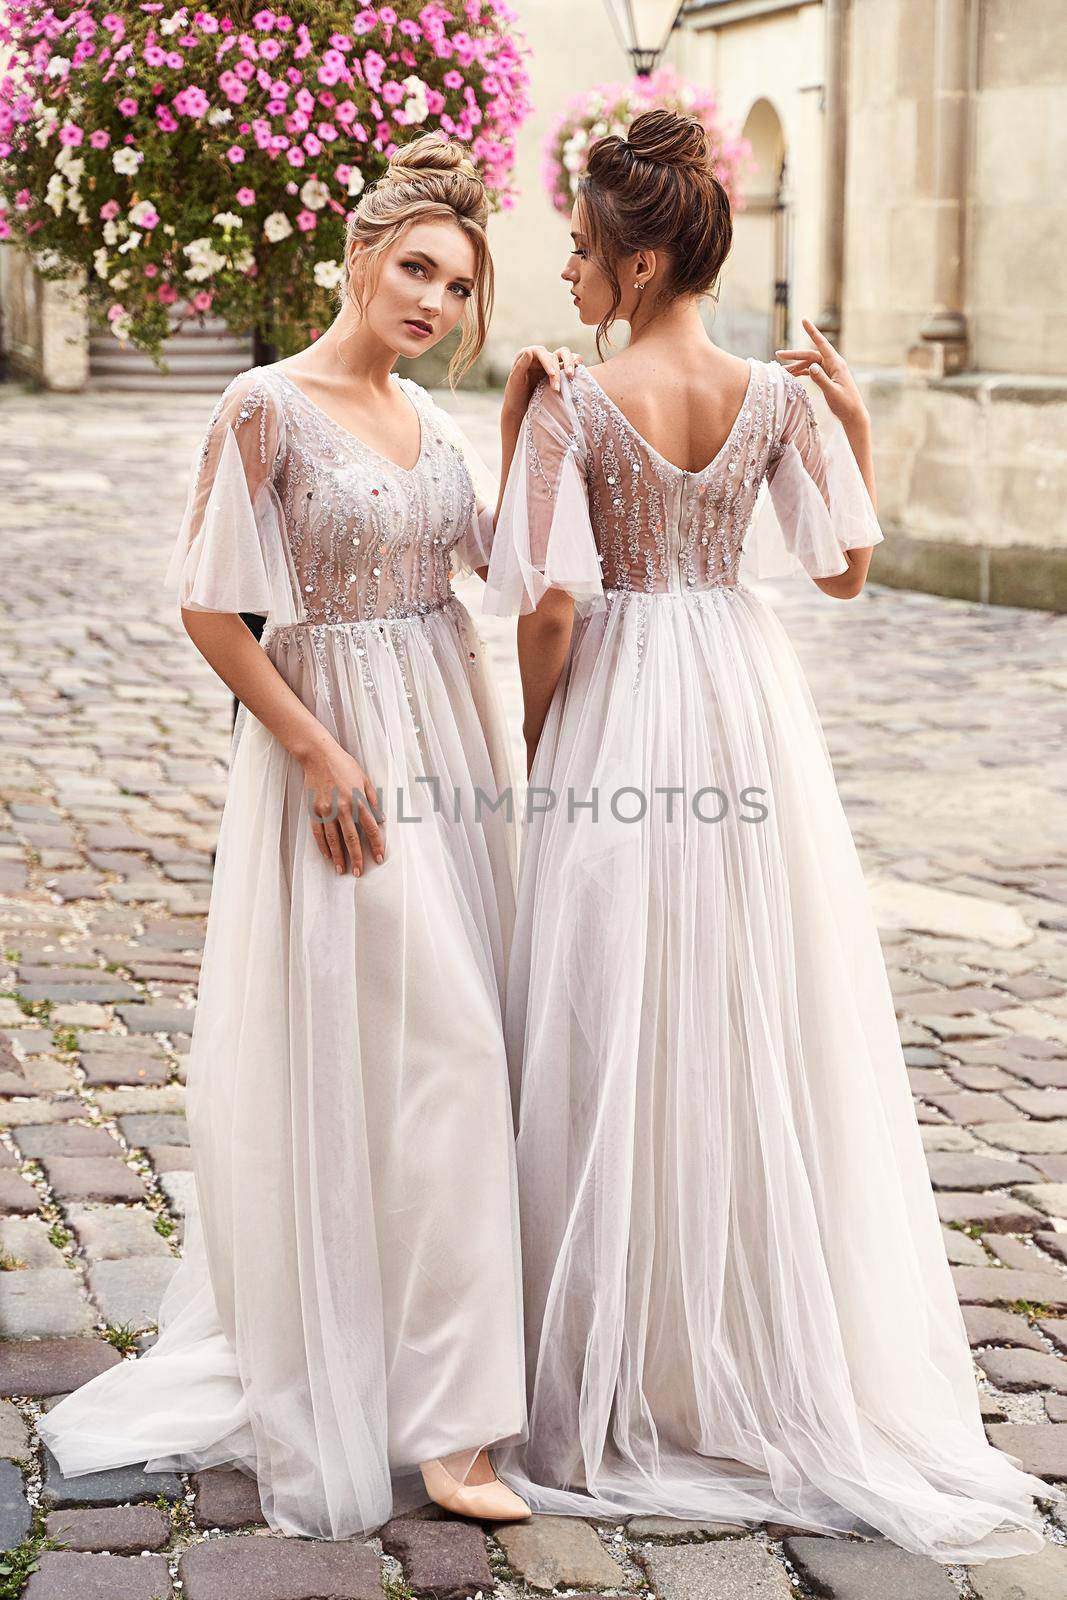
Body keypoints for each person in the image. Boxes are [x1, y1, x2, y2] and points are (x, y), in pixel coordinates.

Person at [480, 108, 1064, 1563]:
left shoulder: (569, 398)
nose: (568, 266)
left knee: (614, 1004)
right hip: (742, 703)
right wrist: (852, 421)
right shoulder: (782, 399)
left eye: (585, 245)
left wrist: (543, 743)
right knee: (753, 999)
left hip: (623, 700)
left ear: (647, 253)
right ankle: (751, 1327)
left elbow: (546, 604)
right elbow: (847, 569)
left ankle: (632, 1354)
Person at [39, 133, 553, 1539]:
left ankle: (423, 1358)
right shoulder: (266, 407)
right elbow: (211, 608)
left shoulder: (432, 422)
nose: (437, 302)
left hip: (449, 744)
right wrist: (317, 749)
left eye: (458, 284)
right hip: (342, 754)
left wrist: (522, 431)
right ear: (361, 259)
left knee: (457, 1048)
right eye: (419, 270)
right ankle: (452, 1430)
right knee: (430, 1047)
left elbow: (503, 577)